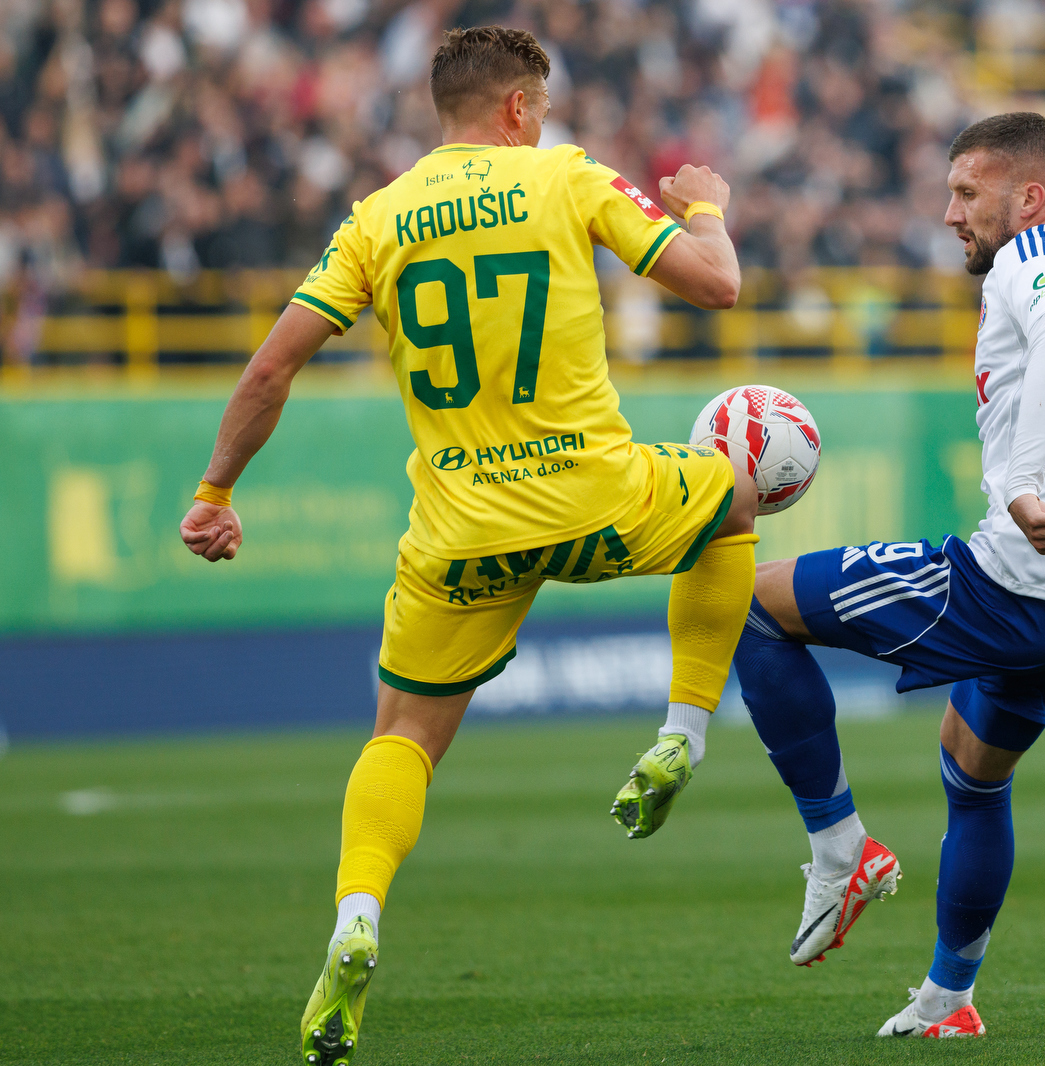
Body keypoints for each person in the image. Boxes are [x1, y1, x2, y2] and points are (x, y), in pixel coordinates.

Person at [177, 27, 757, 1066]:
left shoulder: (375, 221)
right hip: (597, 499)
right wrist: (704, 203)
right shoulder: (565, 176)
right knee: (737, 493)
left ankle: (356, 917)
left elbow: (269, 371)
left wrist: (217, 488)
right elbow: (717, 285)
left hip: (461, 533)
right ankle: (684, 729)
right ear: (520, 109)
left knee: (400, 736)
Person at [729, 112, 1045, 1037]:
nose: (949, 212)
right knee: (972, 776)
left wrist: (1020, 486)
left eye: (968, 192)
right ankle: (948, 1001)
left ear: (1030, 197)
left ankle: (839, 849)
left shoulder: (1036, 254)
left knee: (753, 607)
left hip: (1012, 587)